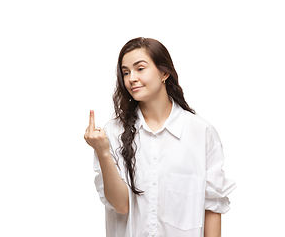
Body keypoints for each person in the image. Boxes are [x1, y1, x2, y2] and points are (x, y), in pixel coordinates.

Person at [84, 37, 236, 237]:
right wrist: (103, 152)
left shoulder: (201, 132)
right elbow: (121, 206)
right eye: (126, 72)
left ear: (164, 73)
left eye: (140, 69)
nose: (131, 78)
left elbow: (213, 206)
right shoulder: (111, 133)